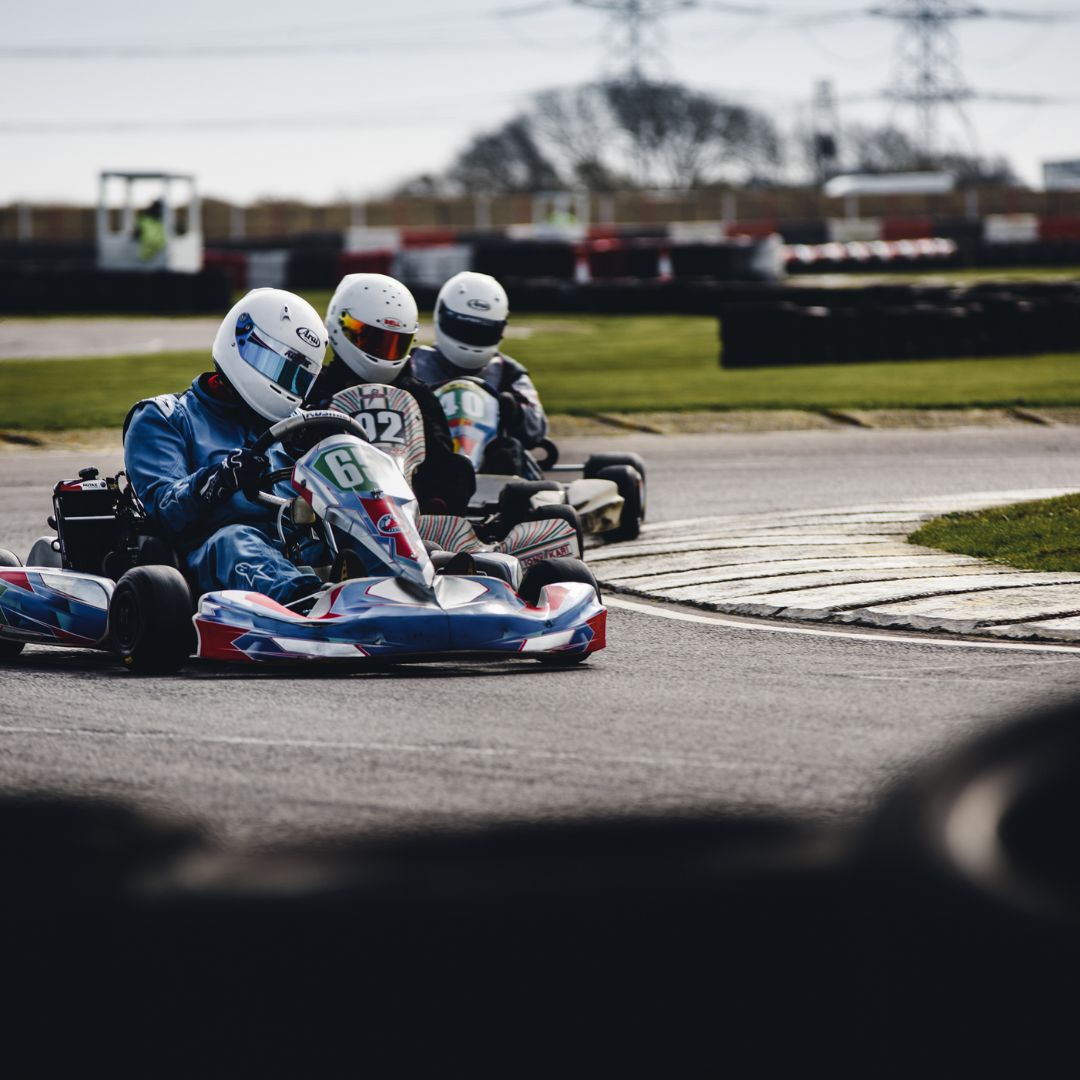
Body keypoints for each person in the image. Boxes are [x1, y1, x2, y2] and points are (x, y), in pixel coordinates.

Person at [123, 288, 330, 607]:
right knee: (236, 540)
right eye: (277, 368)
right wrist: (219, 479)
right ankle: (306, 605)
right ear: (242, 345)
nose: (285, 386)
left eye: (295, 378)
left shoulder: (301, 425)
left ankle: (403, 586)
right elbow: (164, 511)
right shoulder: (165, 417)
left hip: (295, 546)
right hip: (205, 556)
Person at [308, 273, 475, 514]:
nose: (383, 353)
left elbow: (441, 453)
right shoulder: (318, 389)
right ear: (342, 326)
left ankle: (429, 522)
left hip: (411, 501)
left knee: (459, 468)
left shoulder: (417, 394)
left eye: (394, 343)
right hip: (334, 503)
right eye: (374, 340)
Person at [409, 271, 549, 473]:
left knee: (510, 450)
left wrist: (515, 411)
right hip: (425, 465)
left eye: (482, 332)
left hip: (490, 469)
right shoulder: (413, 364)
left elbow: (537, 430)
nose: (471, 338)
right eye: (463, 329)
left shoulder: (508, 372)